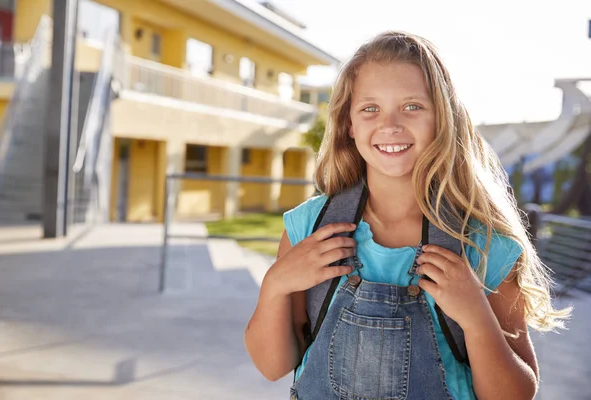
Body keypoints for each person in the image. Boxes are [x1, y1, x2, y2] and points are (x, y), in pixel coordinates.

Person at [244, 31, 570, 400]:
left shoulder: (483, 243)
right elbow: (272, 367)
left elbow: (516, 395)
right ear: (349, 123)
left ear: (441, 119)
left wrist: (476, 317)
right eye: (370, 109)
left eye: (412, 106)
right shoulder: (307, 228)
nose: (390, 125)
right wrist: (275, 285)